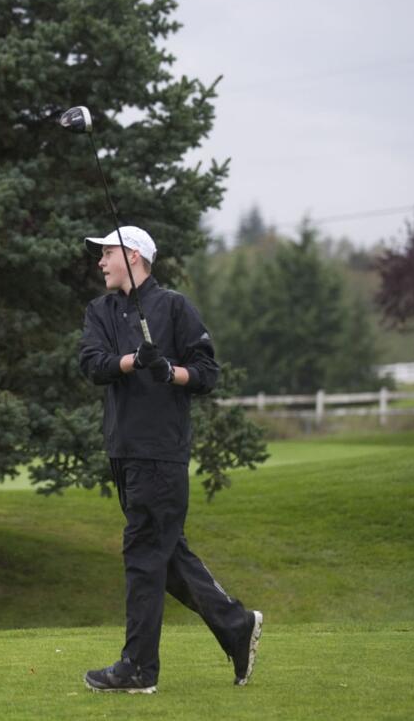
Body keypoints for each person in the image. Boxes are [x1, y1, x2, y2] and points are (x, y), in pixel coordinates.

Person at [78, 225, 262, 695]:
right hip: (122, 450)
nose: (100, 261)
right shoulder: (100, 310)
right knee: (167, 556)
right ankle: (236, 624)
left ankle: (138, 669)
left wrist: (170, 371)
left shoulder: (175, 307)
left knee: (143, 555)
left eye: (108, 253)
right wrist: (131, 361)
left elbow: (206, 373)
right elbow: (92, 364)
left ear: (135, 256)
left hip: (160, 454)